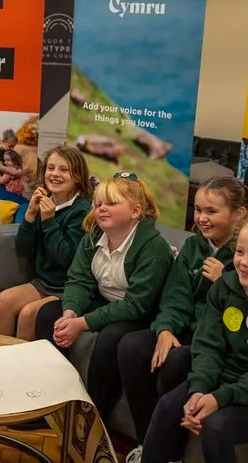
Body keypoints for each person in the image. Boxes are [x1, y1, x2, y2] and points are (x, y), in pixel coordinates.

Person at [141, 209, 248, 463]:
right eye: (240, 252)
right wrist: (200, 389)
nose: (244, 262)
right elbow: (207, 345)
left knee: (217, 426)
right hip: (219, 381)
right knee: (169, 406)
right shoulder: (224, 286)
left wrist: (219, 399)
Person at [120, 177, 248, 463]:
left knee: (176, 361)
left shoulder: (246, 257)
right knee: (132, 346)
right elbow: (175, 297)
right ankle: (147, 441)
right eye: (198, 209)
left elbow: (240, 314)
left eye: (212, 211)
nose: (202, 218)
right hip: (185, 330)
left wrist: (224, 281)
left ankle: (170, 451)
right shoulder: (193, 247)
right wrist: (165, 329)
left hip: (214, 341)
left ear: (239, 214)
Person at [34, 173, 173, 419]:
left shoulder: (154, 247)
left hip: (138, 314)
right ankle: (52, 402)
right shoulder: (94, 235)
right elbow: (79, 279)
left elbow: (136, 305)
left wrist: (81, 323)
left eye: (111, 204)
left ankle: (92, 418)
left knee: (111, 337)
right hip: (104, 301)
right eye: (98, 204)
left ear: (136, 211)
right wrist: (70, 313)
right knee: (49, 313)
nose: (102, 210)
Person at [0, 146, 92, 340]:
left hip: (68, 288)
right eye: (51, 168)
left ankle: (22, 369)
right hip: (43, 283)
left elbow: (67, 259)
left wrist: (49, 221)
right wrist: (30, 215)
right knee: (4, 301)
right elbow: (23, 249)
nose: (55, 174)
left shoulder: (82, 211)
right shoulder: (45, 201)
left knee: (28, 314)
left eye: (64, 170)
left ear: (78, 177)